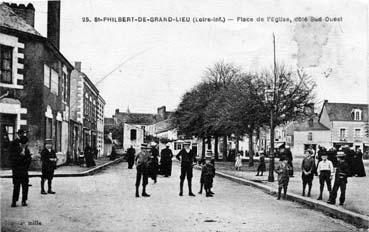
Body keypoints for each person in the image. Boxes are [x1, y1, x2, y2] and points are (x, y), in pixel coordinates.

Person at [10, 129, 32, 207]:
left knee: (25, 186)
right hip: (16, 170)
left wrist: (26, 166)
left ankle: (24, 200)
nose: (25, 145)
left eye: (25, 144)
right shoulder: (13, 144)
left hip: (24, 170)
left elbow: (29, 159)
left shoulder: (26, 150)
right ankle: (14, 201)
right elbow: (12, 157)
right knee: (16, 186)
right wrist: (20, 157)